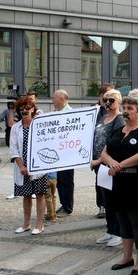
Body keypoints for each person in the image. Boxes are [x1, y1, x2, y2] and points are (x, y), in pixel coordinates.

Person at [101, 96, 138, 275]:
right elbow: (104, 153)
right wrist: (111, 163)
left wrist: (121, 165)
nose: (126, 111)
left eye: (130, 108)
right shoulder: (118, 131)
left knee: (137, 221)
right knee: (122, 220)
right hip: (117, 183)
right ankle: (126, 257)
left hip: (136, 182)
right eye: (124, 107)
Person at [91, 89, 125, 247]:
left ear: (118, 102)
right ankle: (110, 230)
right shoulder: (103, 117)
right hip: (99, 165)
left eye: (111, 100)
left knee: (115, 200)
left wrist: (99, 160)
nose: (108, 103)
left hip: (109, 164)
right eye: (105, 100)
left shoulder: (119, 119)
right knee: (106, 200)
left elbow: (113, 142)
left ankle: (118, 232)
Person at [11, 96, 47, 235]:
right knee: (26, 195)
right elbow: (13, 149)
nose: (25, 111)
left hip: (38, 166)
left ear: (33, 109)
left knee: (40, 194)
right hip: (23, 166)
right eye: (22, 109)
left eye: (28, 108)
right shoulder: (16, 127)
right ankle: (26, 223)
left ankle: (40, 224)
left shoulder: (39, 123)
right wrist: (21, 166)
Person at [52, 89, 74, 217]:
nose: (52, 100)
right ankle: (63, 203)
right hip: (59, 152)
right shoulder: (57, 112)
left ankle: (68, 207)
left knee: (66, 180)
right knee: (60, 180)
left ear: (61, 99)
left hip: (68, 153)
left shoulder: (70, 113)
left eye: (54, 98)